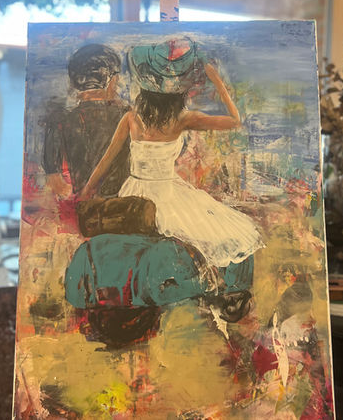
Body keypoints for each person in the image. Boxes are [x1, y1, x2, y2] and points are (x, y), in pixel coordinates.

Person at [81, 62, 264, 270]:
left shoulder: (131, 118)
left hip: (133, 193)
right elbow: (234, 121)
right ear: (177, 98)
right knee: (200, 237)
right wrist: (217, 81)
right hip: (165, 194)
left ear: (145, 95)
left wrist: (87, 190)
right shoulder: (183, 120)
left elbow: (107, 159)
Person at [43, 43, 130, 199]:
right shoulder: (128, 116)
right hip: (125, 204)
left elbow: (55, 181)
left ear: (75, 82)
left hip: (84, 206)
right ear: (111, 80)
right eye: (116, 77)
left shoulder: (61, 120)